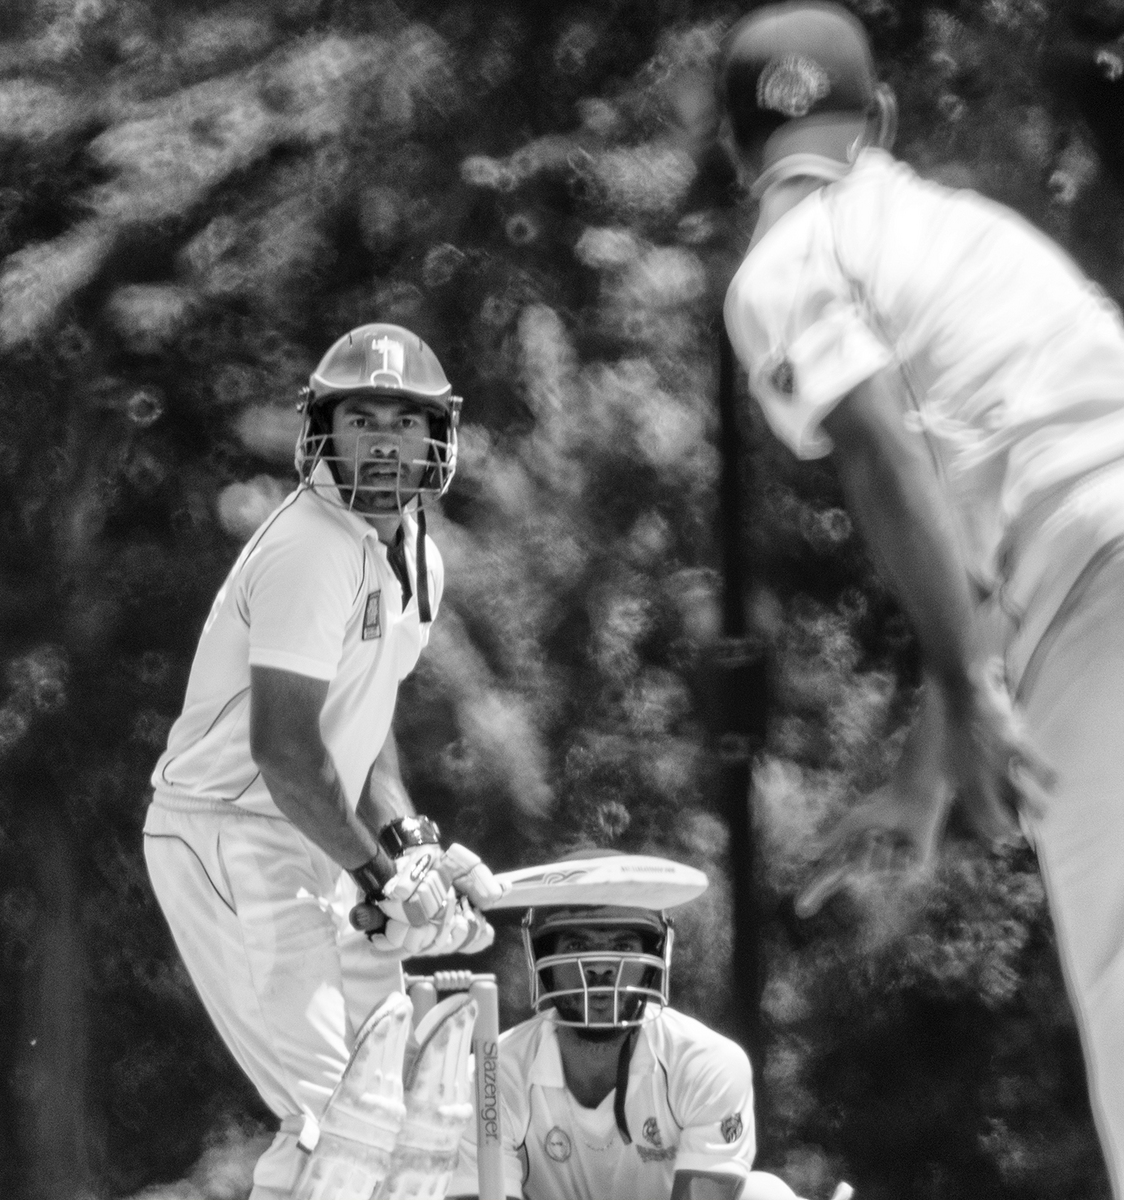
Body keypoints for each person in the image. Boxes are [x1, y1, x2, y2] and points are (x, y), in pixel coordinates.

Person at [717, 4, 1124, 1194]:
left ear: (738, 155)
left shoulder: (784, 264)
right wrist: (924, 769)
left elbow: (883, 444)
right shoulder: (974, 233)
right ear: (881, 120)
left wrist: (963, 685)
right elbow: (993, 503)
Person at [142, 323, 506, 1200]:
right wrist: (382, 878)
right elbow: (285, 750)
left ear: (437, 440)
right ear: (321, 432)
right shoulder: (313, 546)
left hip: (312, 834)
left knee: (400, 1121)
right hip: (231, 830)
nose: (382, 441)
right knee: (334, 1122)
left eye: (404, 421)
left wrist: (410, 841)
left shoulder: (416, 554)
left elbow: (361, 714)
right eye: (361, 419)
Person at [447, 848, 814, 1200]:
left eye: (622, 945)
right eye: (576, 946)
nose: (601, 967)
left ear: (655, 956)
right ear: (543, 959)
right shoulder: (488, 1078)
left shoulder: (707, 1064)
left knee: (764, 1194)